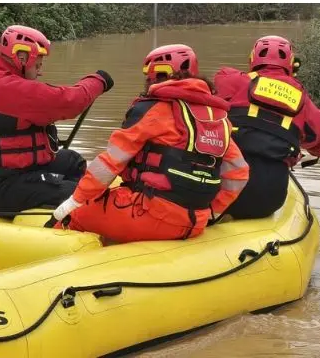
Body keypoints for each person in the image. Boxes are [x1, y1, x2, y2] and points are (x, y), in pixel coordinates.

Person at [52, 45, 249, 243]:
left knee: (74, 217)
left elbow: (109, 164)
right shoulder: (219, 119)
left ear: (156, 75)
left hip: (152, 215)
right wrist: (212, 213)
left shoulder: (154, 109)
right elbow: (239, 173)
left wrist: (73, 202)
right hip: (196, 222)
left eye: (149, 77)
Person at [0, 24, 113, 213]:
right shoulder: (8, 89)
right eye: (39, 61)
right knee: (82, 194)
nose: (40, 67)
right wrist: (98, 80)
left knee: (71, 161)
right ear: (22, 56)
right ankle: (76, 206)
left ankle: (65, 208)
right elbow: (69, 101)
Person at [214, 35, 320, 220]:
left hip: (222, 192)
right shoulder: (302, 100)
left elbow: (220, 80)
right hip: (268, 198)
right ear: (291, 65)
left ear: (252, 59)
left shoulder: (233, 81)